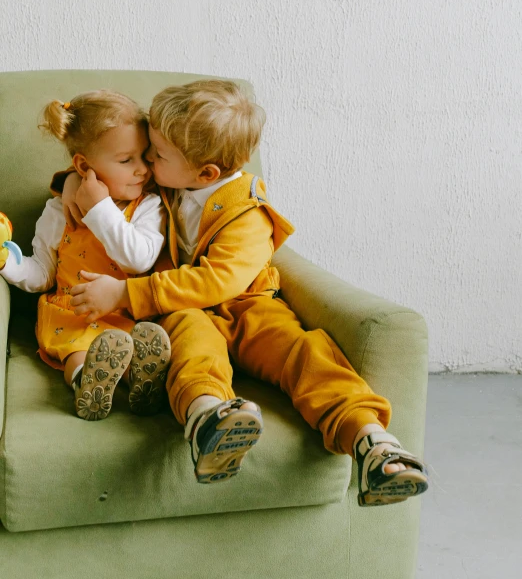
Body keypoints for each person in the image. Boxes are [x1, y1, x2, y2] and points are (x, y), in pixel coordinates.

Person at [59, 80, 428, 506]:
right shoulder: (168, 181)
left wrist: (127, 294)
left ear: (206, 173)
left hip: (250, 305)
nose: (145, 163)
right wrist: (72, 180)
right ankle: (208, 421)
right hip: (187, 310)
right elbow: (110, 172)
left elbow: (218, 282)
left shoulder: (248, 212)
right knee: (194, 350)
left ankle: (372, 441)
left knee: (302, 352)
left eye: (155, 155)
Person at [0, 90, 170, 421]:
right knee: (80, 352)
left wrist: (100, 207)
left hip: (127, 312)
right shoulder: (56, 212)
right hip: (72, 312)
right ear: (83, 166)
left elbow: (138, 260)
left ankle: (141, 382)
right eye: (126, 160)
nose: (142, 171)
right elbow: (43, 273)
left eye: (145, 156)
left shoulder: (148, 206)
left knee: (130, 345)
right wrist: (8, 263)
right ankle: (87, 384)